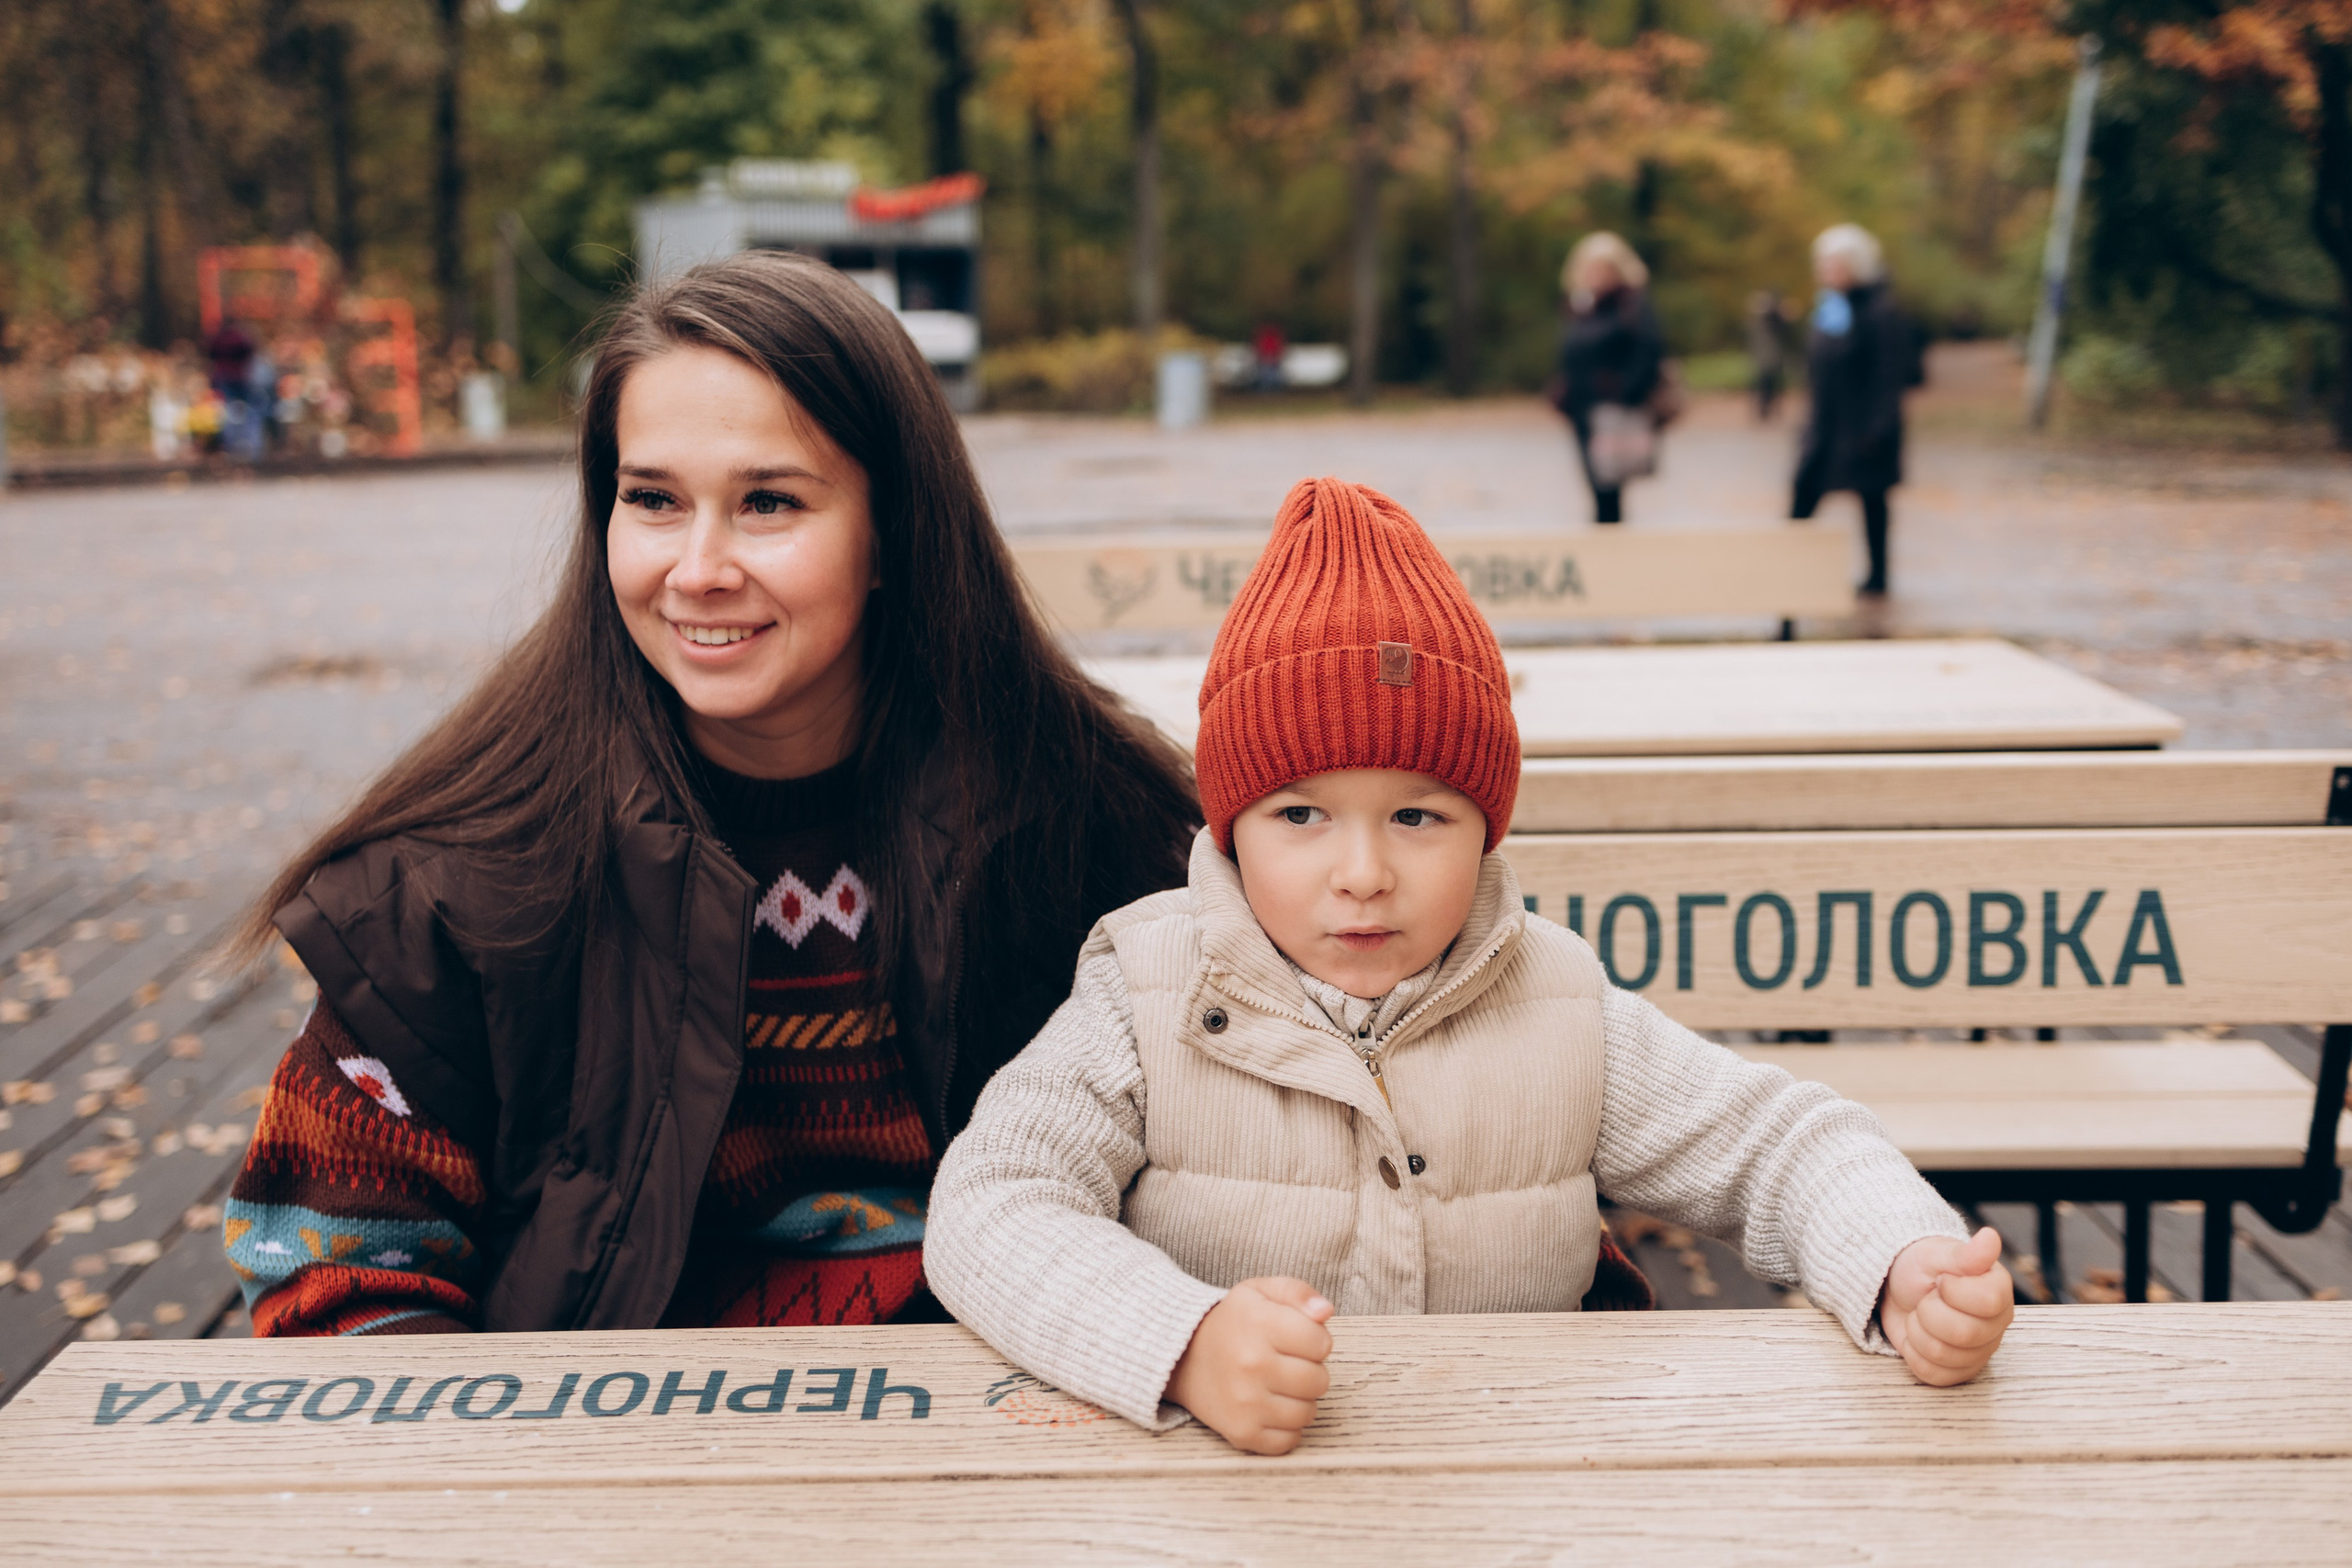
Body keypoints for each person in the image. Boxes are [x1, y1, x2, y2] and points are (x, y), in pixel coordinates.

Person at [218, 251, 1201, 1336]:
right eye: (652, 501)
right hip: (601, 1461)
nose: (697, 567)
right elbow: (331, 1271)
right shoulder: (458, 887)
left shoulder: (1094, 827)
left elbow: (1249, 1184)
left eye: (767, 502)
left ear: (892, 535)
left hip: (1021, 1431)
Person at [926, 477, 2016, 1455]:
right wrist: (1180, 1341)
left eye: (1416, 815)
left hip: (1522, 1479)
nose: (1362, 873)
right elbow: (993, 1207)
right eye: (1301, 814)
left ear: (1485, 828)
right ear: (1229, 826)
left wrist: (1897, 1258)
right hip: (1227, 1497)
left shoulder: (1555, 1003)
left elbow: (1777, 1145)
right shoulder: (1146, 990)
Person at [1792, 223, 1923, 598]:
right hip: (1826, 427)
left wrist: (1877, 429)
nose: (1826, 271)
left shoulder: (1880, 311)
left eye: (1834, 264)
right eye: (1824, 264)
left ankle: (1878, 576)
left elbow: (1889, 375)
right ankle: (1785, 571)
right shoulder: (1829, 308)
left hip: (1864, 428)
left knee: (1872, 500)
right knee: (1803, 493)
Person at [1549, 231, 1666, 524]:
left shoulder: (1631, 305)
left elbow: (1649, 349)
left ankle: (1612, 539)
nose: (1596, 275)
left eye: (1603, 269)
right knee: (1594, 479)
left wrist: (1627, 390)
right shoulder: (1581, 305)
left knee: (1610, 480)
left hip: (1614, 404)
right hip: (1582, 404)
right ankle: (1605, 530)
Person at [1746, 288, 1789, 423]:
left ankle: (1767, 409)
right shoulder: (1761, 320)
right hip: (1765, 358)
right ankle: (1763, 410)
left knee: (1771, 385)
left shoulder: (1770, 320)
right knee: (1764, 385)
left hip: (1771, 357)